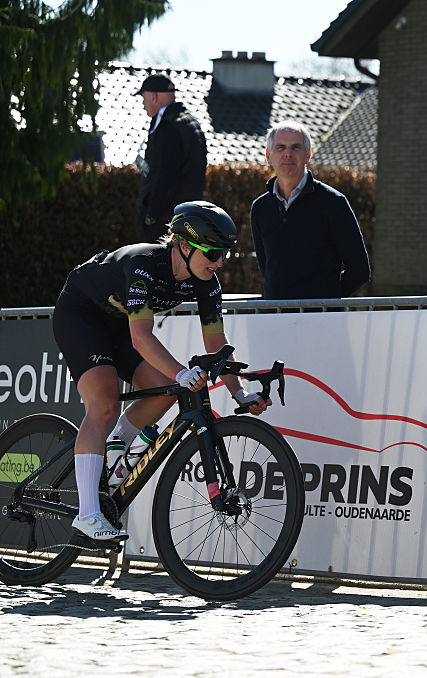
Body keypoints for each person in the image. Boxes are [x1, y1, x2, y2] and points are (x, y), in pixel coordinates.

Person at [52, 201, 270, 542]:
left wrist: (239, 392)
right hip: (82, 315)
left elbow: (217, 345)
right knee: (106, 402)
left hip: (120, 324)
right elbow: (141, 337)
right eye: (212, 253)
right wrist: (183, 372)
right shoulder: (145, 265)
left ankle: (112, 448)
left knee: (168, 388)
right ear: (184, 245)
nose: (219, 263)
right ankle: (88, 514)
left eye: (224, 255)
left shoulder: (206, 282)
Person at [250, 120, 370, 300]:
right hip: (275, 321)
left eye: (295, 147)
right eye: (281, 147)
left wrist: (324, 300)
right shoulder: (260, 208)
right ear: (268, 156)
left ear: (308, 155)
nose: (288, 154)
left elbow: (360, 270)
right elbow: (267, 268)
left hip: (321, 320)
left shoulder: (334, 203)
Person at [135, 73, 208, 242]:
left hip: (168, 219)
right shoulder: (188, 122)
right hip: (187, 213)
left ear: (153, 97)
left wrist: (152, 214)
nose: (143, 104)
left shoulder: (169, 127)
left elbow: (167, 174)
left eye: (143, 98)